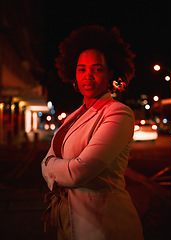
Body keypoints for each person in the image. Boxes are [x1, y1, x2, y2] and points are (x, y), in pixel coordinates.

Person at [41, 25, 144, 240]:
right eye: (81, 69)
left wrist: (50, 166)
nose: (88, 76)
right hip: (67, 223)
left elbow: (79, 172)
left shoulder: (118, 113)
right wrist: (53, 166)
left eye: (97, 69)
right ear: (73, 73)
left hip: (104, 225)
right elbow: (47, 161)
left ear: (110, 73)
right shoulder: (73, 116)